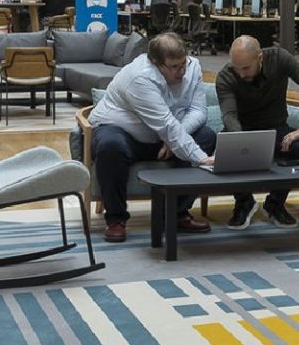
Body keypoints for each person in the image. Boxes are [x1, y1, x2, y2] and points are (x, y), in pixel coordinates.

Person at [88, 33, 216, 243]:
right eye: (174, 67)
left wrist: (174, 139)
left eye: (183, 64)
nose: (182, 72)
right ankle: (116, 219)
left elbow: (199, 111)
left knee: (206, 137)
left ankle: (175, 213)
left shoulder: (193, 67)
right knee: (111, 146)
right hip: (122, 130)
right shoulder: (140, 77)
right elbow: (165, 124)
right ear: (156, 64)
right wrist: (201, 158)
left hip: (163, 135)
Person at [215, 35, 299, 229]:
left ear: (259, 58)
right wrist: (241, 140)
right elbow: (229, 115)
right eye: (236, 68)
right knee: (228, 150)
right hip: (242, 128)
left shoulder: (279, 58)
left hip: (276, 128)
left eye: (246, 68)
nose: (241, 74)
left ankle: (275, 203)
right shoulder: (226, 76)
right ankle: (244, 202)